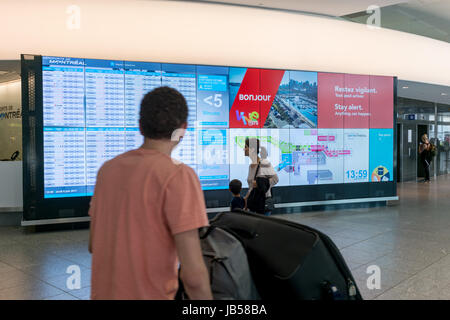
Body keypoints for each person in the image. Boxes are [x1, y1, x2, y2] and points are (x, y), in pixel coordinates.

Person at [88, 86, 213, 300]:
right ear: (183, 130)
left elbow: (93, 244)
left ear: (140, 127)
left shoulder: (107, 170)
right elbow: (193, 275)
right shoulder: (179, 175)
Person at [243, 138, 279, 215]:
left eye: (245, 147)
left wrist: (260, 183)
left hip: (263, 204)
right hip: (253, 204)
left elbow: (275, 179)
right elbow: (252, 187)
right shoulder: (251, 166)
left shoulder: (264, 163)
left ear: (252, 149)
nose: (244, 149)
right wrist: (246, 198)